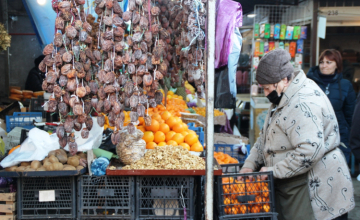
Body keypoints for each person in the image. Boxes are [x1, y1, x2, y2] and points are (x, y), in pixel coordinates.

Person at [240, 49, 354, 220]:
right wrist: (250, 164)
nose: (265, 94)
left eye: (267, 88)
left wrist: (273, 170)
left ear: (284, 80)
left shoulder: (302, 102)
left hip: (319, 189)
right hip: (297, 184)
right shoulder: (285, 95)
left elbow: (310, 151)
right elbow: (265, 136)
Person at [307, 49, 356, 164]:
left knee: (338, 171)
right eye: (321, 62)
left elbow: (350, 115)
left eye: (329, 62)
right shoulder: (309, 83)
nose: (324, 66)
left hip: (339, 136)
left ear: (337, 65)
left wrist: (348, 136)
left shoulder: (345, 85)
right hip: (314, 134)